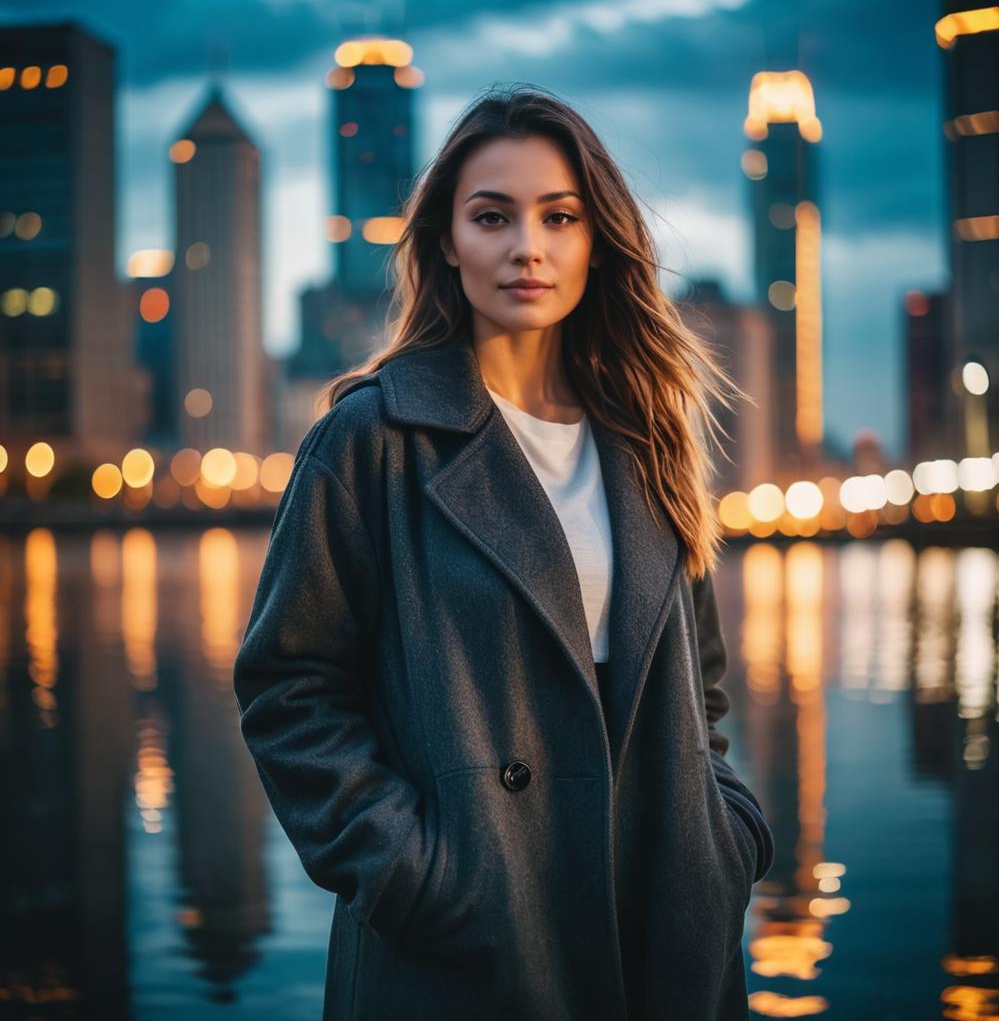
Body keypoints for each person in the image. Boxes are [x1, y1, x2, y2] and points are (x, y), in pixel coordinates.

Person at [233, 83, 775, 1021]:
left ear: (594, 239)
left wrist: (725, 835)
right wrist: (417, 874)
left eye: (558, 217)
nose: (527, 246)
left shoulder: (646, 435)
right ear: (448, 240)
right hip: (468, 941)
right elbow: (290, 688)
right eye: (493, 216)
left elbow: (703, 683)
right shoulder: (373, 438)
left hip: (666, 918)